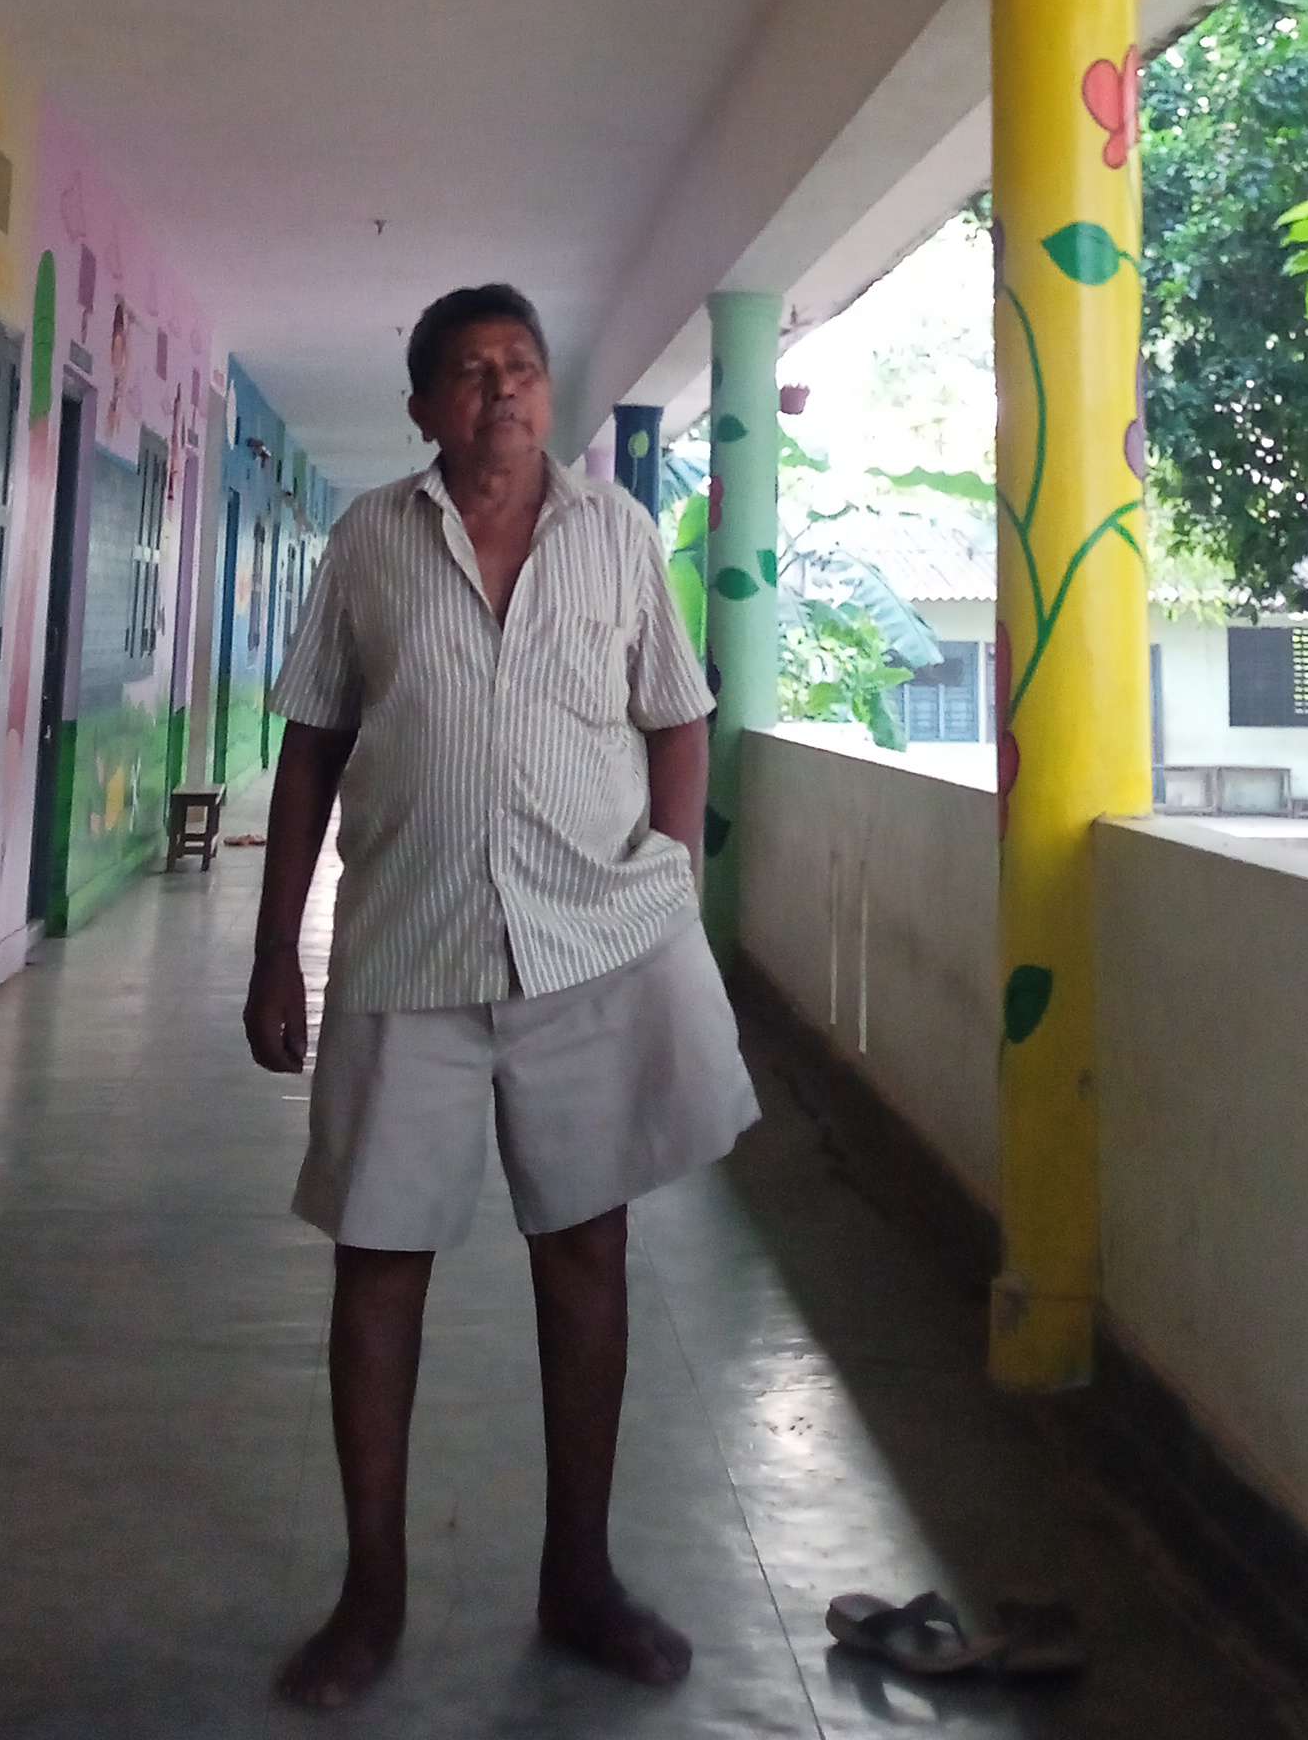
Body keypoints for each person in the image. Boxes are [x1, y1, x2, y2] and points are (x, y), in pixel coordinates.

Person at [243, 285, 754, 1711]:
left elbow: (679, 717)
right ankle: (371, 1595)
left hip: (587, 948)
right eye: (470, 373)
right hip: (407, 947)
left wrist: (668, 881)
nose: (503, 391)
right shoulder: (370, 542)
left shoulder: (620, 536)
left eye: (521, 367)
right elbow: (311, 744)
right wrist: (277, 946)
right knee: (378, 1258)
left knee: (585, 1252)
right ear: (424, 408)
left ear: (548, 392)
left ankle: (579, 1578)